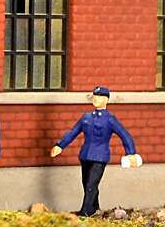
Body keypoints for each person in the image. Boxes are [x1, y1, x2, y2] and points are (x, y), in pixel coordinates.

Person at [50, 86, 141, 216]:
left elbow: (125, 135)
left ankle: (85, 212)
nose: (95, 99)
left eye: (99, 96)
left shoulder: (110, 119)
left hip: (100, 156)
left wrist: (130, 153)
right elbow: (73, 132)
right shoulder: (86, 117)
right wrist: (60, 146)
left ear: (106, 100)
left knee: (91, 184)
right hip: (85, 155)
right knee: (87, 183)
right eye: (94, 96)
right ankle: (94, 208)